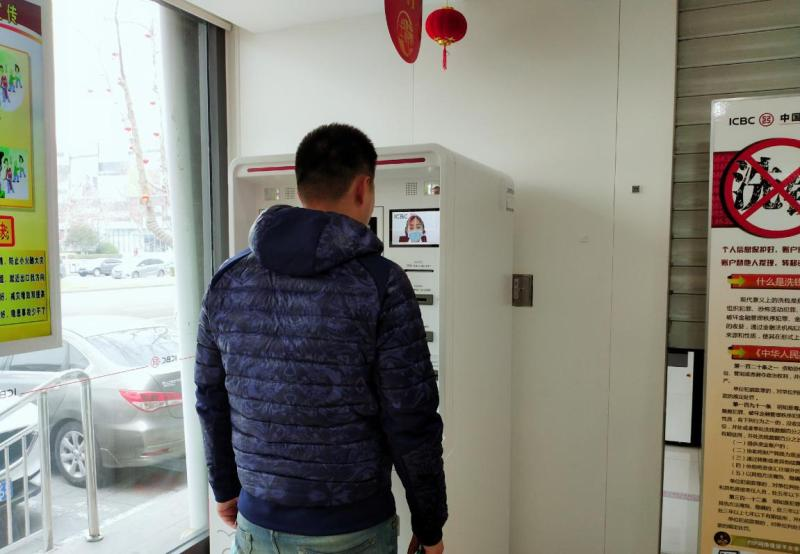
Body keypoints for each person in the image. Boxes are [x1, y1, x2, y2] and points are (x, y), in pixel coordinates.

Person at [195, 123, 447, 554]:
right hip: (353, 528)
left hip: (257, 522)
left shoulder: (229, 277)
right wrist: (430, 526)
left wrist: (224, 486)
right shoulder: (382, 282)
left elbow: (210, 395)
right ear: (363, 187)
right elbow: (410, 418)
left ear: (300, 188)